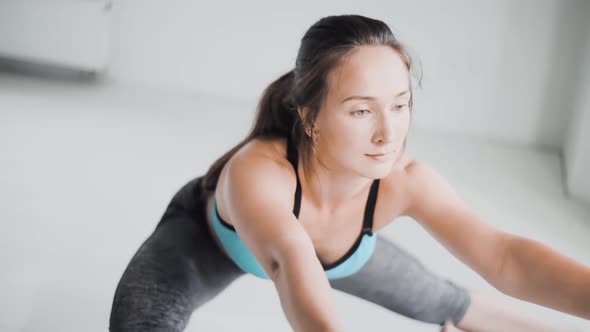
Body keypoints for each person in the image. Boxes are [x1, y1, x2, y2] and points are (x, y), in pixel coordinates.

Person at [109, 14, 590, 332]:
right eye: (362, 111)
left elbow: (504, 257)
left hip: (342, 256)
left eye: (400, 106)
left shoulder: (406, 180)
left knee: (444, 303)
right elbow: (289, 261)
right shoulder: (258, 171)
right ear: (310, 116)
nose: (389, 134)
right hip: (204, 246)